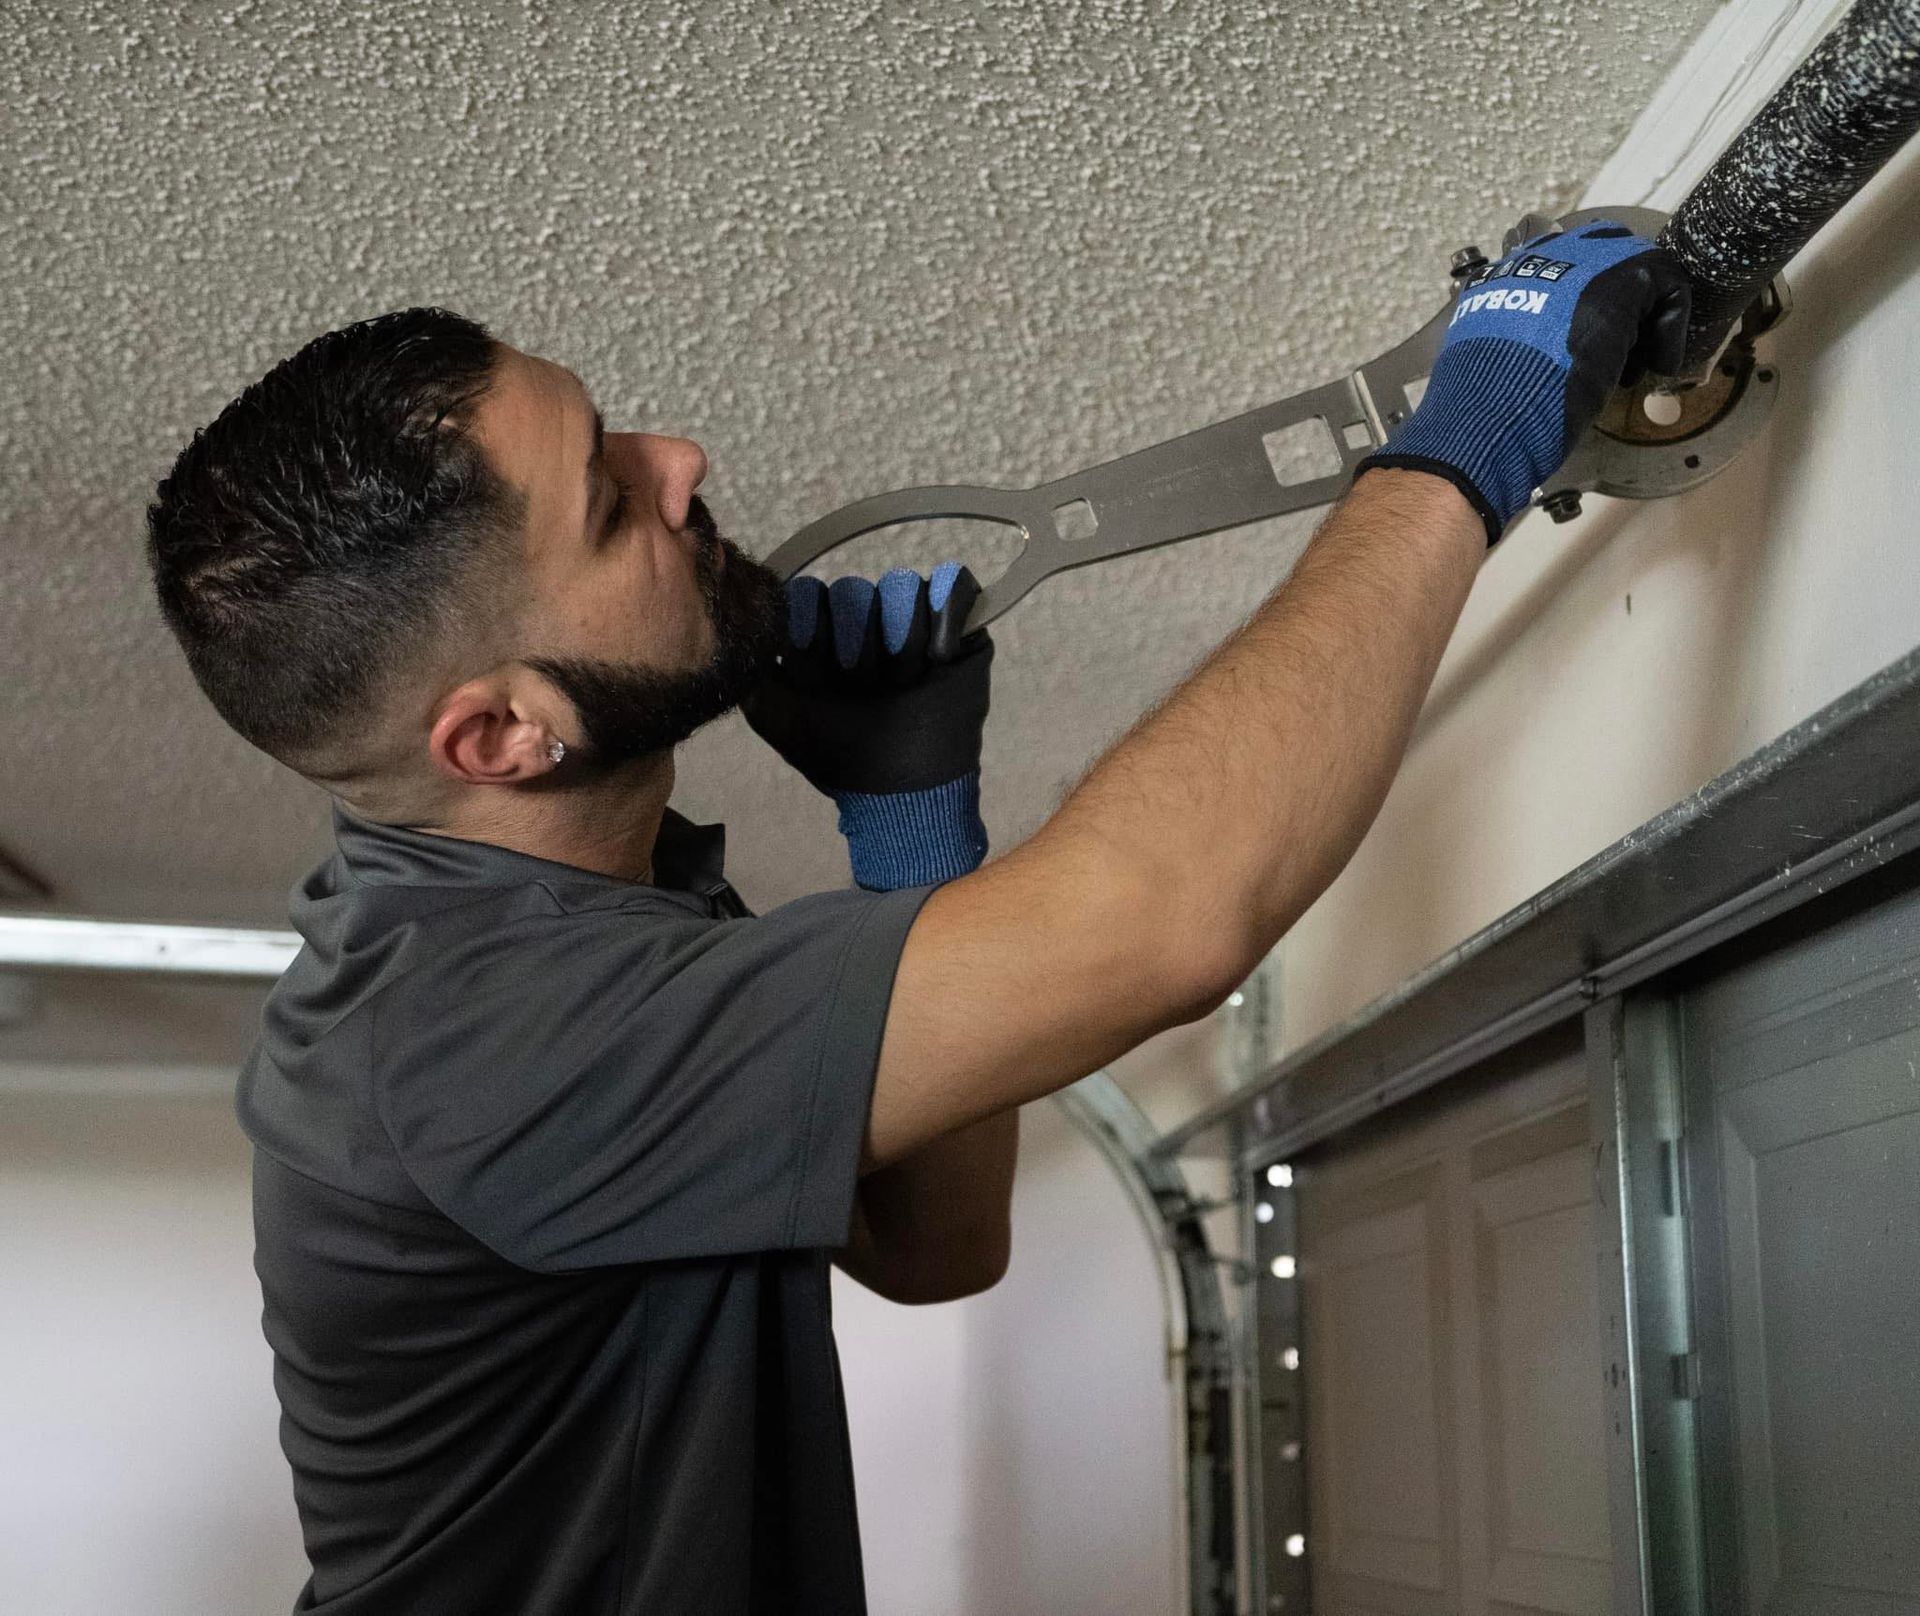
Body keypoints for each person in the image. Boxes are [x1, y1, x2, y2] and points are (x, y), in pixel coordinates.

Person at [144, 221, 1686, 1614]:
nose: (678, 461)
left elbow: (935, 1247)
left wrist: (911, 823)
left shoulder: (568, 921)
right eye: (611, 506)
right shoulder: (477, 1037)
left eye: (615, 431)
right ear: (503, 736)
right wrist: (1469, 441)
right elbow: (1169, 917)